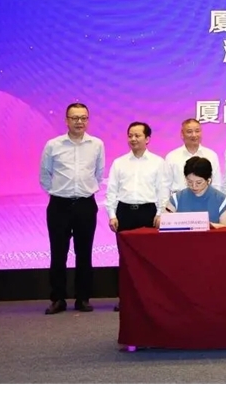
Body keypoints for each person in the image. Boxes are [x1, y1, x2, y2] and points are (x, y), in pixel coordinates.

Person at [39, 102, 105, 315]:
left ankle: (82, 298)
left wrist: (84, 190)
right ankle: (58, 299)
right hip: (59, 205)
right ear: (66, 120)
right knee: (58, 253)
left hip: (85, 204)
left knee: (84, 253)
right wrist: (58, 191)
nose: (79, 122)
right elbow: (44, 175)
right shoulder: (53, 145)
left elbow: (99, 174)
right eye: (75, 118)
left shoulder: (97, 144)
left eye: (83, 118)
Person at [105, 121, 170, 311]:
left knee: (148, 258)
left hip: (148, 212)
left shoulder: (158, 162)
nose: (133, 139)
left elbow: (163, 190)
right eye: (130, 135)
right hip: (124, 212)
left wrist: (160, 213)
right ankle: (125, 299)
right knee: (125, 258)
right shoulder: (119, 163)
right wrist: (112, 214)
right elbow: (112, 191)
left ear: (147, 139)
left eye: (137, 135)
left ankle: (149, 299)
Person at [156, 156, 226, 228]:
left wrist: (207, 225)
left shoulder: (221, 200)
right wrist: (160, 221)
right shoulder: (177, 198)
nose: (194, 186)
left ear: (208, 179)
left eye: (199, 182)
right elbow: (162, 222)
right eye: (190, 182)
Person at [164, 118, 222, 197]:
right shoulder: (172, 156)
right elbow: (165, 185)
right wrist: (166, 204)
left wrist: (215, 201)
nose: (194, 135)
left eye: (197, 131)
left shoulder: (211, 155)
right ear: (182, 134)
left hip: (205, 200)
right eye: (189, 131)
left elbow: (216, 184)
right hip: (180, 200)